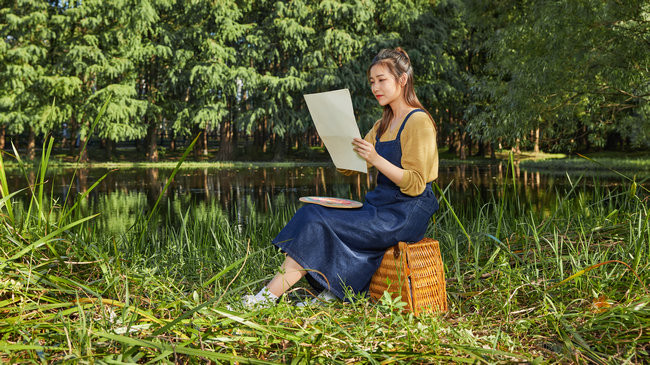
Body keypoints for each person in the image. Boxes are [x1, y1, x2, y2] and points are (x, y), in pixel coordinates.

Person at [241, 47, 439, 307]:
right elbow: (351, 167)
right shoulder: (382, 124)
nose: (375, 87)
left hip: (404, 214)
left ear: (402, 81)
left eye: (382, 80)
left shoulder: (418, 121)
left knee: (315, 219)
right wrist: (333, 137)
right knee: (313, 213)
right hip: (379, 206)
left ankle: (265, 299)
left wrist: (375, 158)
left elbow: (414, 184)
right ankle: (331, 292)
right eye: (371, 82)